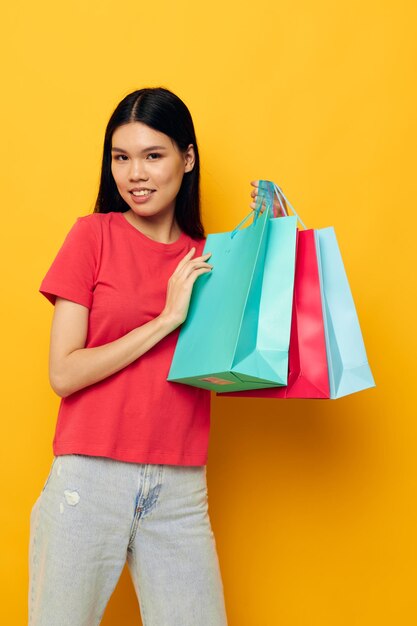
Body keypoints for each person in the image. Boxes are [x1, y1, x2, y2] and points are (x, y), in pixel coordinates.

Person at [28, 86, 280, 626]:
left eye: (153, 156)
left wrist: (275, 238)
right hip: (87, 480)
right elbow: (63, 372)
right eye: (121, 158)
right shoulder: (92, 236)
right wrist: (166, 319)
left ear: (187, 159)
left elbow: (254, 368)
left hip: (180, 487)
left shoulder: (210, 257)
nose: (134, 174)